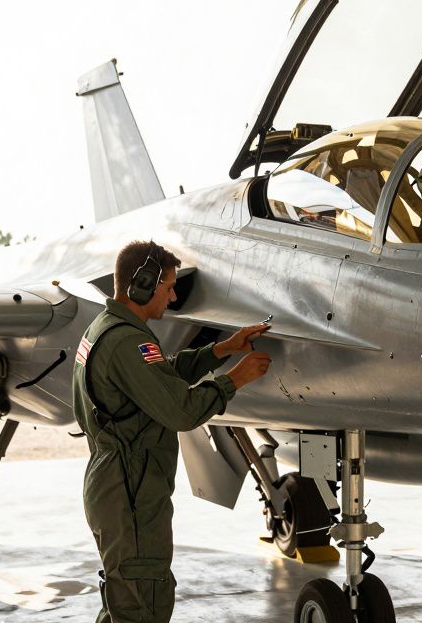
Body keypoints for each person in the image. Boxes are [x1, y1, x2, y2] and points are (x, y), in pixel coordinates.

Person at [72, 240, 271, 622]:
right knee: (142, 604)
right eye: (167, 286)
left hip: (117, 488)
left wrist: (220, 350)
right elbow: (180, 411)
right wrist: (234, 380)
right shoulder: (129, 341)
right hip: (132, 497)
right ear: (141, 286)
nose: (174, 295)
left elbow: (156, 381)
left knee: (124, 602)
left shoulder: (107, 328)